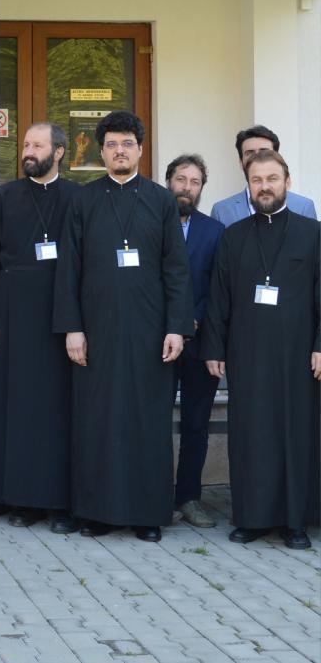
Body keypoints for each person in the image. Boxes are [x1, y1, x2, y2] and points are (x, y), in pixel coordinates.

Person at [53, 111, 192, 542]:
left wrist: (176, 327)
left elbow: (177, 269)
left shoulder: (162, 200)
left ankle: (147, 513)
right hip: (96, 331)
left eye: (127, 144)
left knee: (148, 421)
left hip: (151, 332)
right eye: (111, 144)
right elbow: (69, 267)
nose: (119, 151)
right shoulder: (82, 200)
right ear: (101, 150)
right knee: (97, 420)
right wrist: (72, 328)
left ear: (140, 149)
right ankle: (97, 512)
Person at [201, 149, 320, 549]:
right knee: (250, 435)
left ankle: (295, 522)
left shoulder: (313, 232)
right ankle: (250, 518)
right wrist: (214, 349)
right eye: (257, 180)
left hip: (298, 357)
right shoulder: (233, 237)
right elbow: (219, 298)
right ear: (248, 186)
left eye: (271, 178)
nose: (264, 186)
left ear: (287, 181)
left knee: (295, 435)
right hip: (247, 354)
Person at [0, 124, 80, 532]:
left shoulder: (77, 198)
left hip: (59, 317)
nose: (28, 151)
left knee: (59, 410)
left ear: (60, 152)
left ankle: (63, 501)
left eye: (37, 145)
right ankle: (24, 499)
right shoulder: (6, 197)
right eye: (26, 145)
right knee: (20, 409)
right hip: (13, 317)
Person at [164, 154, 224, 528]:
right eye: (181, 179)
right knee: (154, 420)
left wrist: (193, 318)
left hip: (201, 341)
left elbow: (219, 285)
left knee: (196, 424)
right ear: (168, 181)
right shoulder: (151, 222)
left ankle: (189, 497)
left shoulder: (214, 231)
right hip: (159, 342)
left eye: (195, 182)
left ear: (202, 188)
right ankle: (155, 495)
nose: (187, 187)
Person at [209, 125, 316, 226]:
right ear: (241, 162)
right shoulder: (221, 211)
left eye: (264, 152)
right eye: (249, 153)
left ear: (277, 157)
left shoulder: (304, 207)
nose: (257, 158)